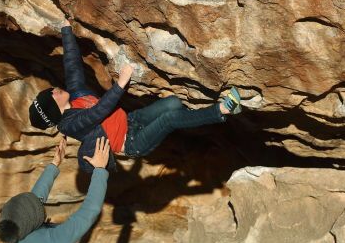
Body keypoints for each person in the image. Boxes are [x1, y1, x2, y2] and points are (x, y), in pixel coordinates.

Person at [28, 20, 243, 173]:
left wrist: (66, 30)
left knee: (174, 103)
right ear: (54, 109)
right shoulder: (70, 125)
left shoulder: (76, 95)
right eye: (52, 94)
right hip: (131, 143)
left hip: (132, 120)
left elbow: (72, 66)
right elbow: (97, 112)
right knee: (169, 120)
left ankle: (204, 118)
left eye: (52, 90)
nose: (54, 89)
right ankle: (222, 110)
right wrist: (120, 83)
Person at [0, 136, 111, 243]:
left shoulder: (15, 241)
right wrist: (100, 170)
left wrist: (54, 164)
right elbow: (89, 211)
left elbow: (30, 207)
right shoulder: (54, 240)